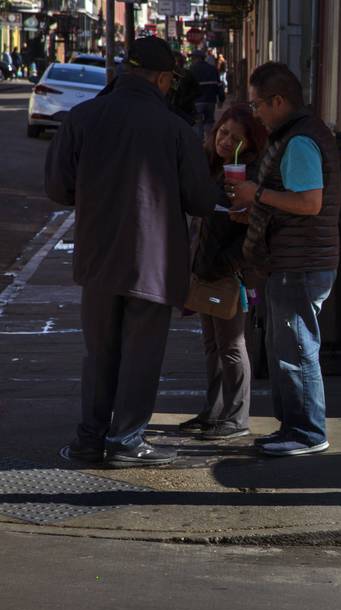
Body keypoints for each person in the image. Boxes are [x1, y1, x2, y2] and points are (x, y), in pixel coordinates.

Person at [44, 36, 221, 467]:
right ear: (162, 78)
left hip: (98, 258)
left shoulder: (82, 118)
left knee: (100, 352)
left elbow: (57, 188)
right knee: (141, 356)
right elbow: (201, 199)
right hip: (153, 264)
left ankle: (90, 438)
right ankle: (125, 440)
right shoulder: (175, 128)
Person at [227, 61, 341, 457]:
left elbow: (310, 203)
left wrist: (256, 195)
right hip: (294, 258)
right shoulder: (296, 135)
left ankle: (308, 432)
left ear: (278, 101)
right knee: (288, 346)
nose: (255, 113)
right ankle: (293, 427)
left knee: (296, 347)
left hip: (300, 261)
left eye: (258, 104)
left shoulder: (300, 141)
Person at [177, 104, 268, 441]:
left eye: (236, 137)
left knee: (232, 344)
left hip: (232, 274)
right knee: (212, 344)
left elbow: (252, 231)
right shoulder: (210, 166)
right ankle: (214, 411)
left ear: (250, 145)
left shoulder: (246, 176)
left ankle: (237, 417)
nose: (226, 141)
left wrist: (232, 265)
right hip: (205, 269)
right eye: (223, 132)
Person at [187, 50, 221, 138]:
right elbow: (219, 85)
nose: (192, 60)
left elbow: (187, 87)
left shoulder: (191, 70)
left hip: (197, 102)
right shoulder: (212, 69)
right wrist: (221, 99)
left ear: (196, 58)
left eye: (192, 58)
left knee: (198, 124)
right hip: (210, 100)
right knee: (209, 123)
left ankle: (200, 146)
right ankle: (210, 143)